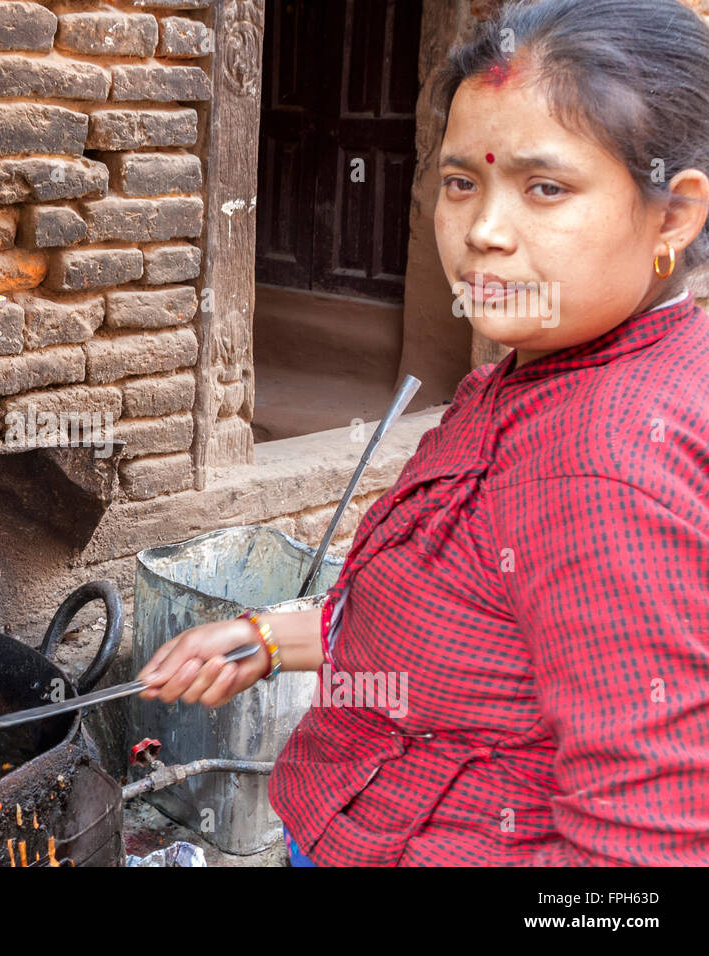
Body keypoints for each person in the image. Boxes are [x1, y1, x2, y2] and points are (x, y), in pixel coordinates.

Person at [137, 0, 709, 865]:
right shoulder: (530, 372)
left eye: (545, 187)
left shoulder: (602, 469)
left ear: (672, 214)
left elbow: (641, 860)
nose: (482, 231)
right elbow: (459, 634)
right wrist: (267, 639)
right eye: (460, 182)